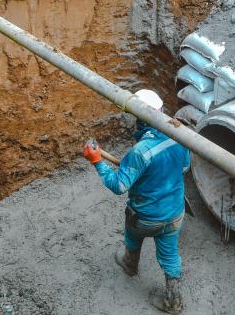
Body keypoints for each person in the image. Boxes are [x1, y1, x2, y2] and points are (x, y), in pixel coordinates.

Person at [82, 90, 191, 315]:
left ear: (139, 118)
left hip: (144, 218)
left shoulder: (140, 152)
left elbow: (119, 185)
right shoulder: (180, 135)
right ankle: (174, 302)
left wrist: (97, 161)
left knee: (133, 235)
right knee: (170, 256)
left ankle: (130, 264)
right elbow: (184, 167)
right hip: (174, 214)